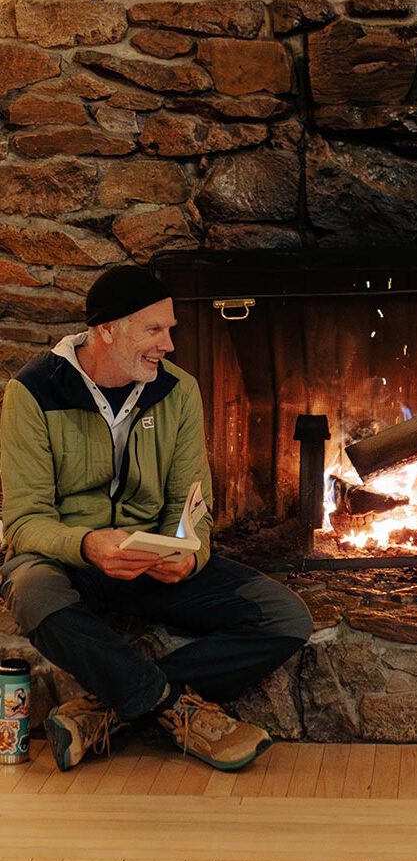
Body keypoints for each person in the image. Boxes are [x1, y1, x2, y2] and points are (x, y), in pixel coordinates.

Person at [0, 264, 313, 772]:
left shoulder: (178, 390)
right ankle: (175, 708)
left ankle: (109, 710)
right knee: (30, 589)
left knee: (286, 617)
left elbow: (192, 503)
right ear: (107, 329)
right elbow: (24, 520)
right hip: (72, 561)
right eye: (154, 330)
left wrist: (189, 554)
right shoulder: (32, 392)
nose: (168, 344)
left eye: (170, 329)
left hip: (153, 561)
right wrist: (87, 545)